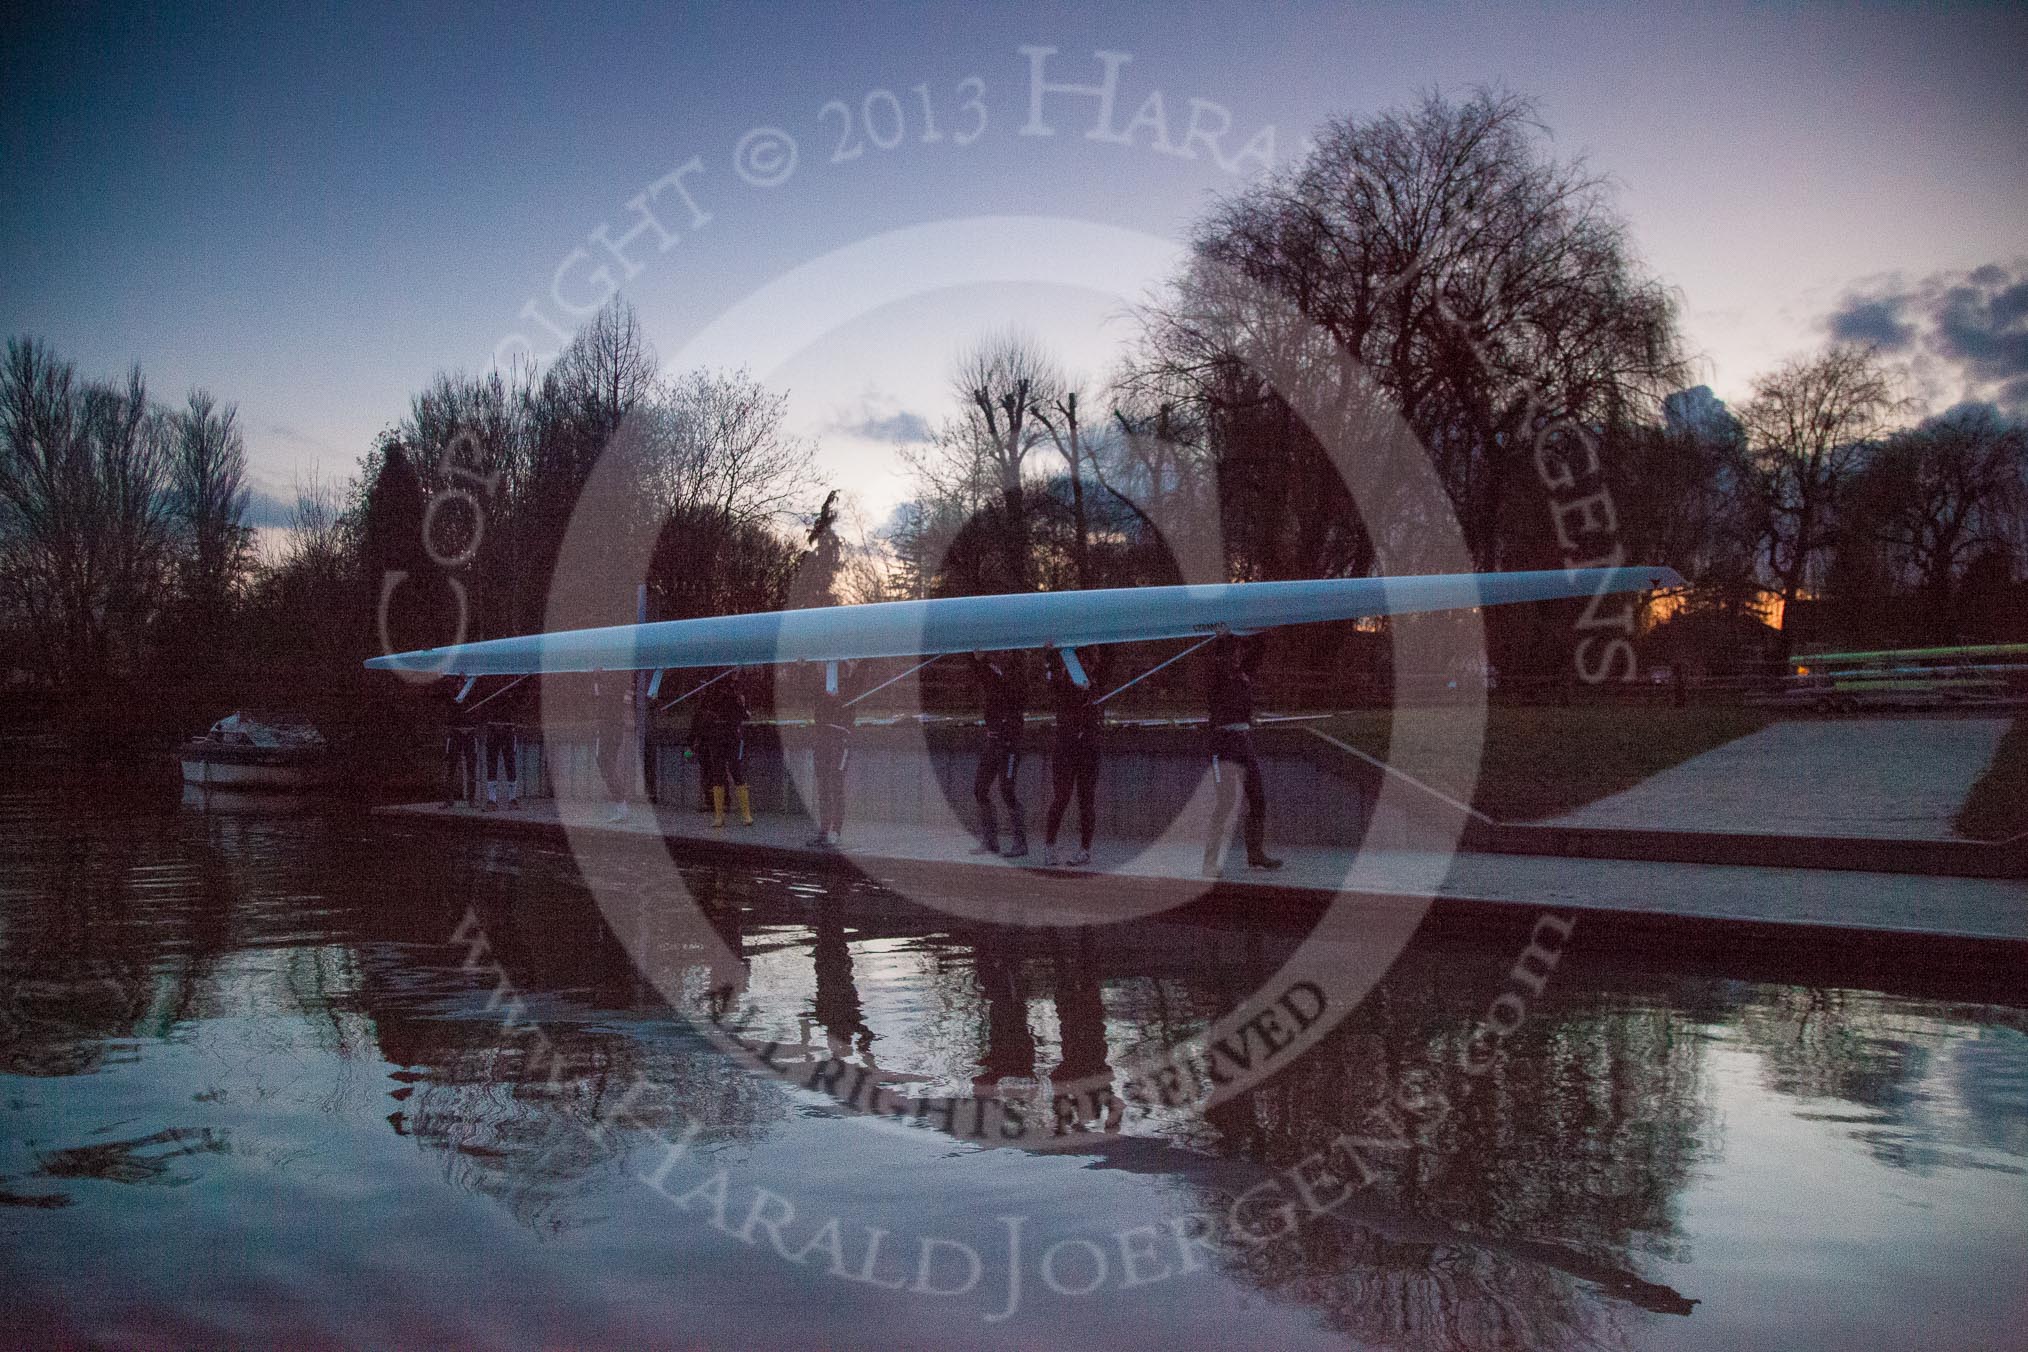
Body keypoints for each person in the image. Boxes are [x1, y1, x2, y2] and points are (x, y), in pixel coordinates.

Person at [1203, 630, 1283, 873]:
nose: (1237, 657)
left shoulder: (1243, 675)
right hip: (1222, 744)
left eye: (1239, 653)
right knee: (1225, 802)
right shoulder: (1216, 677)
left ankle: (1255, 854)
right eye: (1232, 653)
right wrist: (1225, 634)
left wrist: (1246, 629)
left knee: (1258, 799)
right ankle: (1210, 861)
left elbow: (1259, 647)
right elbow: (1217, 655)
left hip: (1243, 743)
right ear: (1222, 656)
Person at [1041, 647, 1102, 867]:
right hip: (1066, 745)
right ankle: (1049, 846)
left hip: (1088, 745)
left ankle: (1085, 850)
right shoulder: (1061, 678)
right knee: (1061, 797)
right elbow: (1052, 684)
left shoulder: (1096, 675)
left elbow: (1107, 659)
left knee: (1086, 800)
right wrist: (1049, 656)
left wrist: (1089, 689)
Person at [967, 651, 1027, 858]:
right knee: (980, 789)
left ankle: (1020, 842)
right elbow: (977, 667)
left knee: (1007, 790)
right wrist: (974, 656)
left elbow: (1015, 690)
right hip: (994, 742)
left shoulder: (1015, 678)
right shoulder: (992, 674)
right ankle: (991, 840)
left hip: (1009, 744)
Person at [689, 674, 753, 828]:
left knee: (730, 773)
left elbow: (742, 715)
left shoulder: (724, 697)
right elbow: (744, 715)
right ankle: (730, 815)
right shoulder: (716, 698)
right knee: (725, 773)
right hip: (720, 738)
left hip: (727, 738)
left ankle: (734, 815)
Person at [807, 662, 854, 847]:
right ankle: (825, 829)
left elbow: (848, 704)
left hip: (840, 740)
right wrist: (805, 668)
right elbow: (808, 691)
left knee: (836, 784)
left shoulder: (850, 687)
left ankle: (835, 831)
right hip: (823, 739)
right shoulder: (820, 688)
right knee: (823, 786)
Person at [593, 671, 632, 823]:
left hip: (608, 729)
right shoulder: (619, 685)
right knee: (608, 767)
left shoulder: (607, 687)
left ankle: (621, 807)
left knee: (606, 767)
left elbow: (600, 700)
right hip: (615, 729)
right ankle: (621, 806)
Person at [481, 681, 525, 811]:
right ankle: (492, 799)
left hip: (508, 730)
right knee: (492, 764)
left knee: (510, 763)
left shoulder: (514, 681)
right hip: (493, 730)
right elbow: (483, 703)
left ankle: (512, 799)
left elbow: (520, 703)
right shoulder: (488, 681)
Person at [439, 678, 479, 808]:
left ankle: (471, 798)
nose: (461, 686)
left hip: (470, 734)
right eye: (459, 683)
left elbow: (479, 714)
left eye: (464, 684)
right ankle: (448, 798)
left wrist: (471, 727)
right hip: (455, 734)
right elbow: (447, 715)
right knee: (450, 766)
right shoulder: (451, 698)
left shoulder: (473, 698)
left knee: (471, 766)